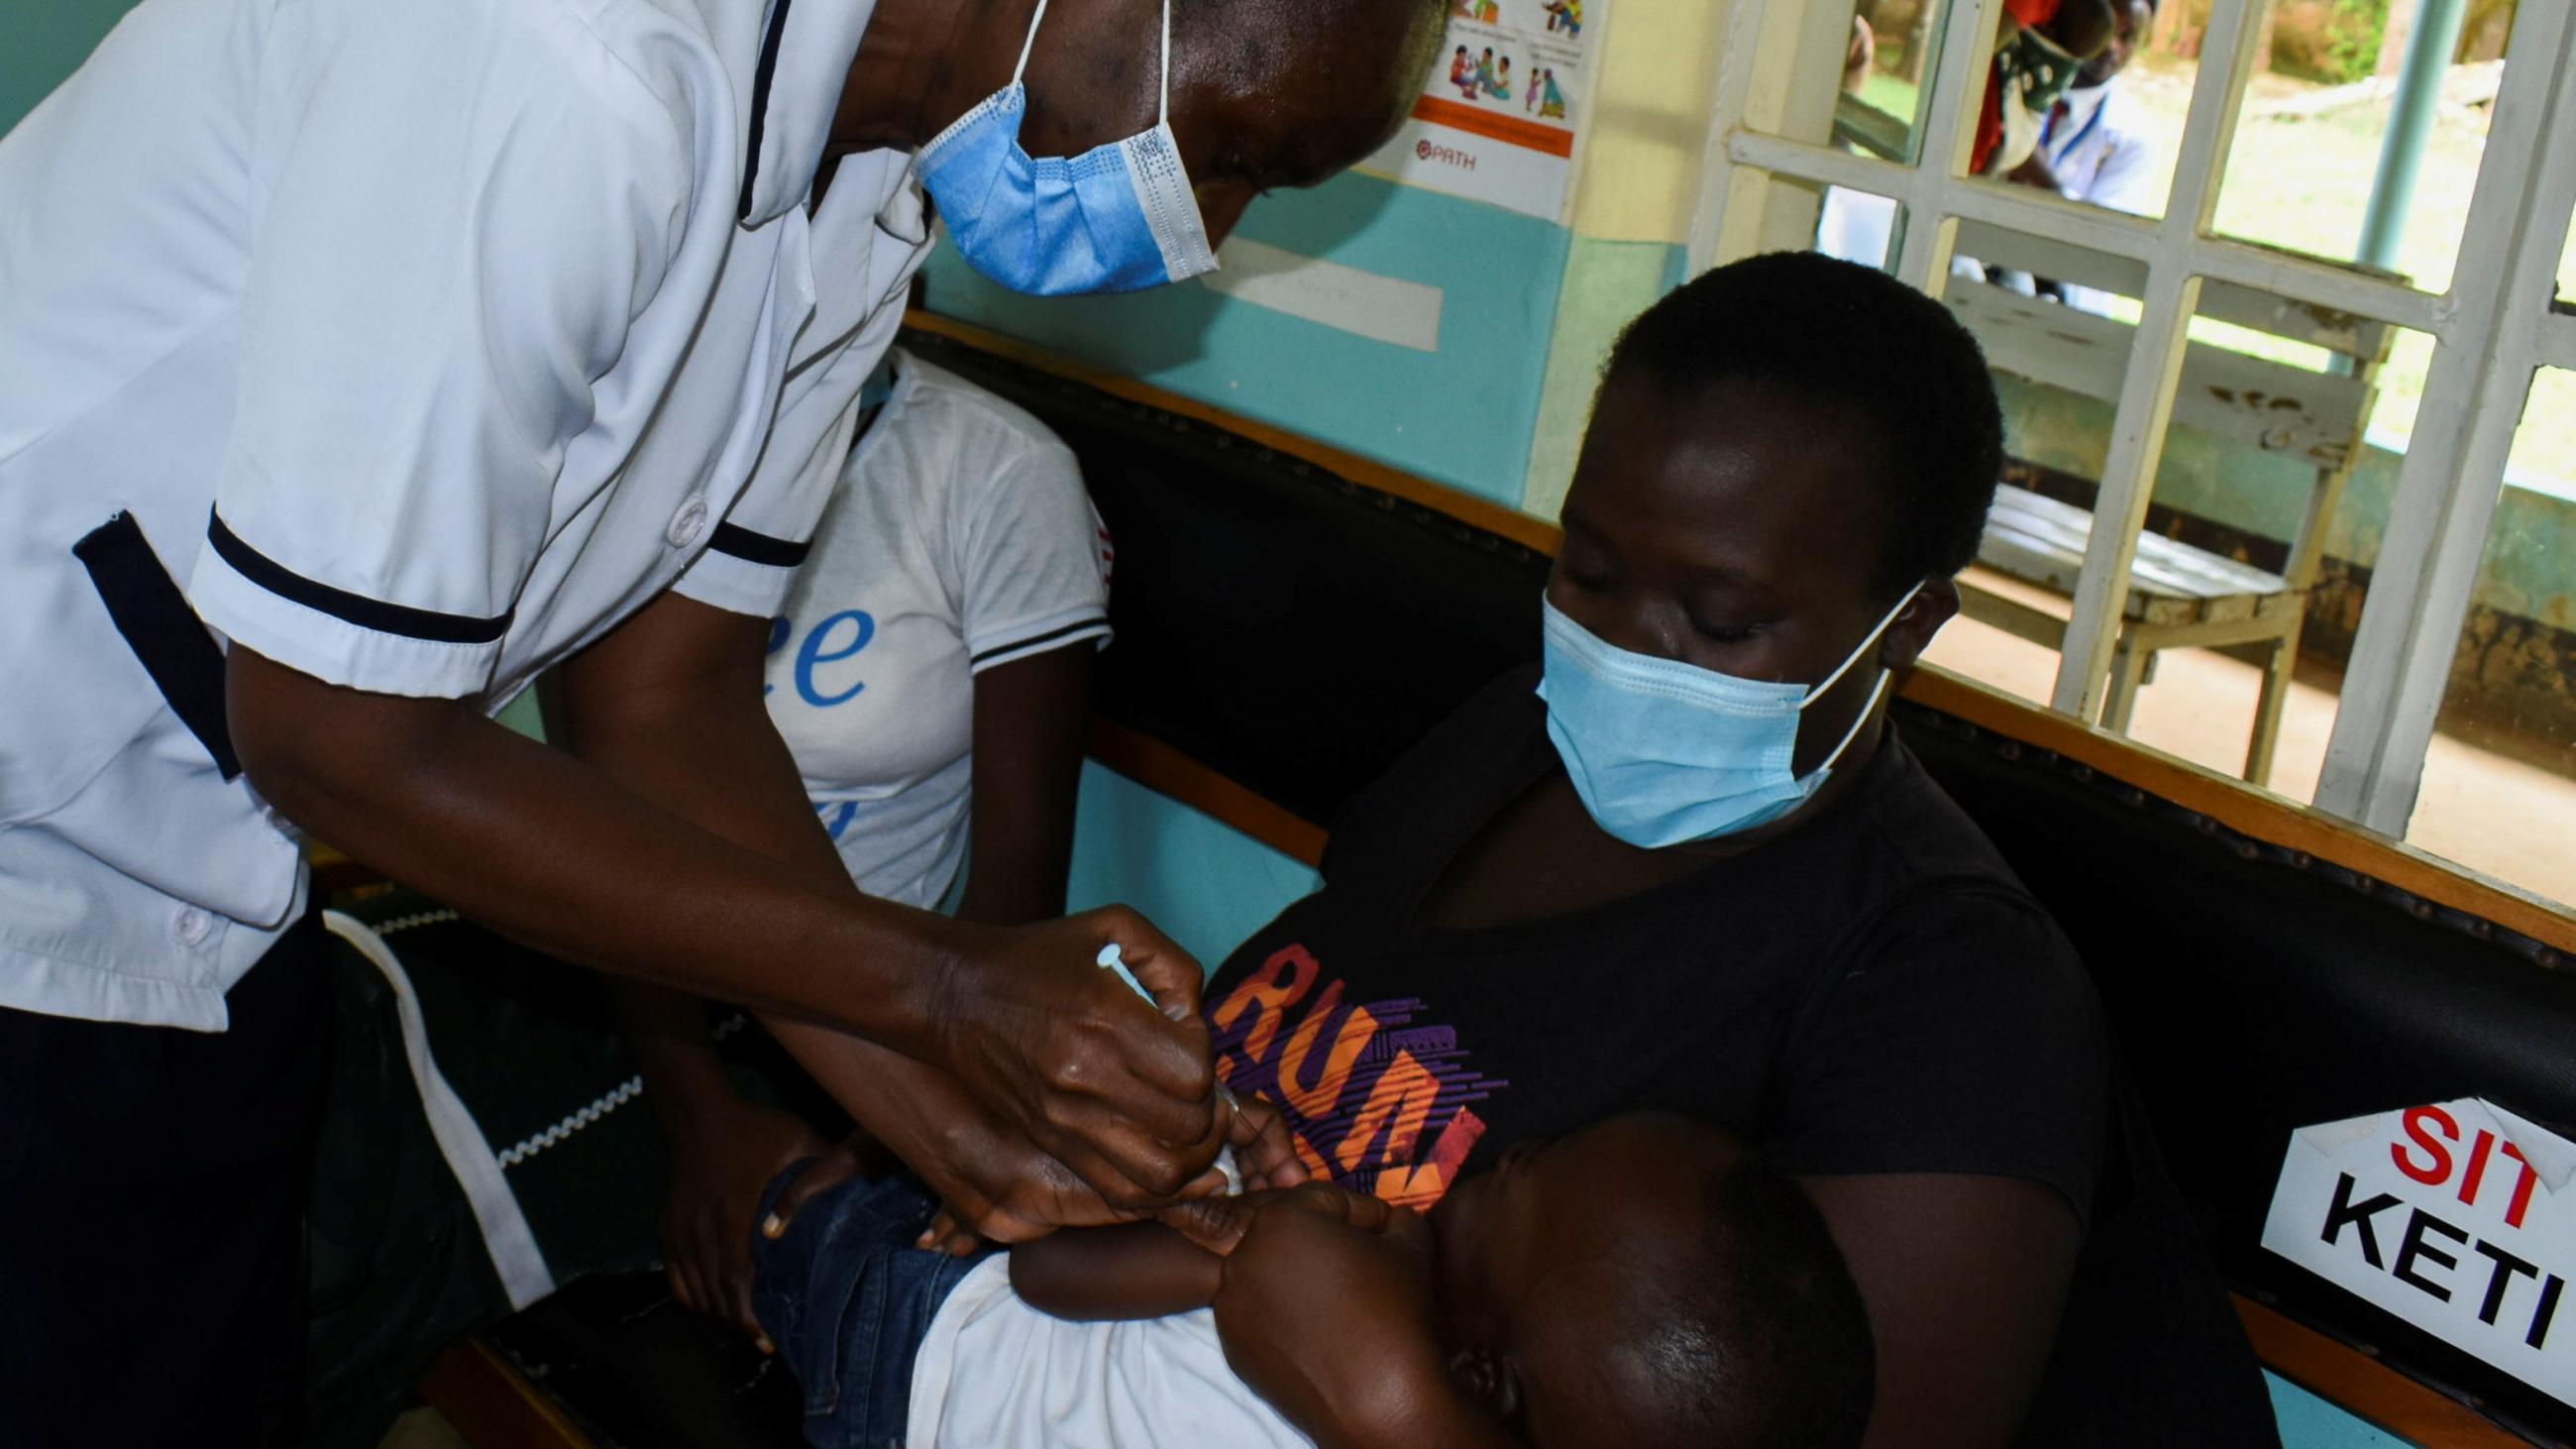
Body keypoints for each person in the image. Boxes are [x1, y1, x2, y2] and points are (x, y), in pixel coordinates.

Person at [0, 0, 1452, 1437]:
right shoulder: (568, 63)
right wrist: (950, 991)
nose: (1210, 222)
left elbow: (664, 699)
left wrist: (972, 1127)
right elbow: (337, 731)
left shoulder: (870, 185)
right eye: (1240, 148)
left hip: (188, 896)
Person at [1092, 252, 2110, 1447]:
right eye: (1588, 571)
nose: (1623, 651)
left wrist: (1396, 1408)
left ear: (1907, 626)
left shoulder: (1944, 993)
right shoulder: (1522, 732)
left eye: (1720, 621)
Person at [634, 343, 1121, 1333]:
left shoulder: (991, 471)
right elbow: (600, 801)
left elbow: (1013, 908)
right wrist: (699, 1115)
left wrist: (880, 1141)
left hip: (848, 1021)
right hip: (633, 980)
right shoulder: (643, 431)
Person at [751, 1112, 1877, 1448]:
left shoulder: (1319, 1275)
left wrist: (1232, 1222)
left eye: (1520, 1177)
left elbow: (1047, 1271)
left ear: (1482, 1364)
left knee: (810, 1204)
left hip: (907, 1356)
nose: (1495, 1159)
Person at [2006, 0, 2161, 312]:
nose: (2112, 47)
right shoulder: (2018, 82)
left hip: (2067, 307)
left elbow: (2103, 237)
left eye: (2127, 37)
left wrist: (2034, 170)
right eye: (2107, 30)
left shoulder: (2134, 135)